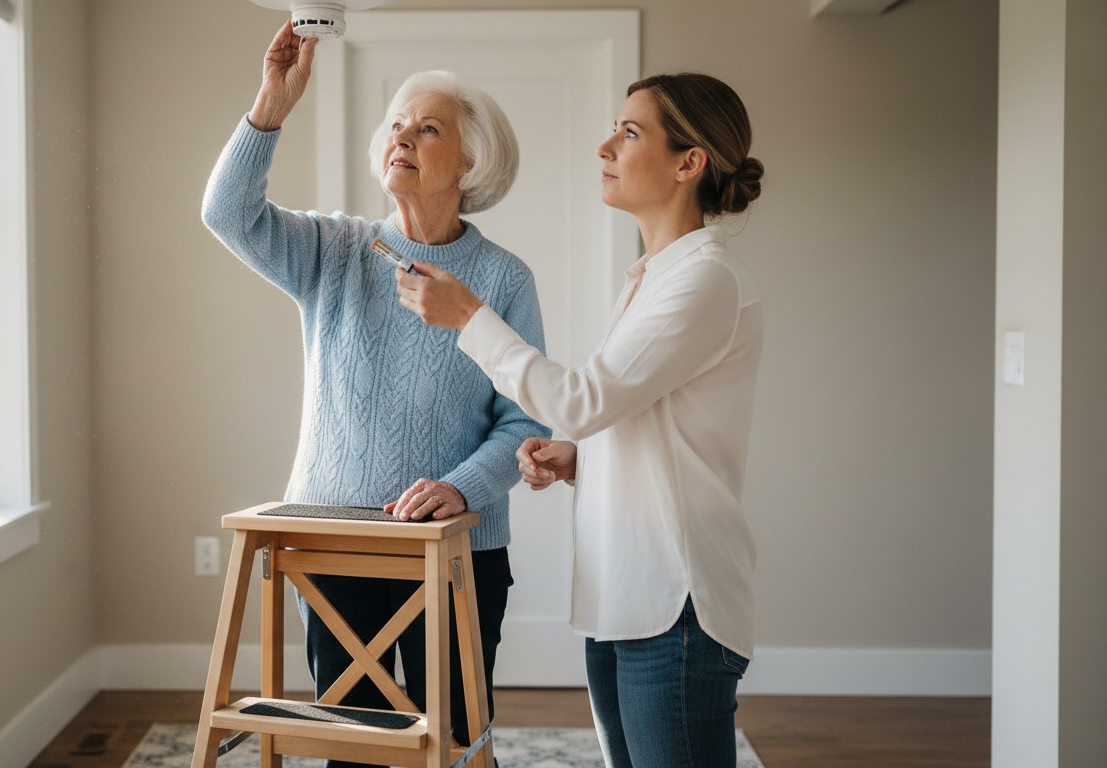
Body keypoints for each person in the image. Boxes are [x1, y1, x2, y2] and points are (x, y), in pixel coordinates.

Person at [200, 21, 549, 768]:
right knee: (352, 750)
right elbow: (226, 214)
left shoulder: (504, 278)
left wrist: (459, 488)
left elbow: (525, 421)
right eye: (397, 124)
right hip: (334, 542)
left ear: (471, 161)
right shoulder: (332, 248)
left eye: (429, 129)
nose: (403, 138)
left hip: (455, 550)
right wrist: (270, 106)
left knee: (454, 743)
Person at [396, 72, 765, 768]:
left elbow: (580, 400)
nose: (605, 146)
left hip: (674, 601)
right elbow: (634, 414)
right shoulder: (652, 279)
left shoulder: (704, 278)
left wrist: (471, 318)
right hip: (624, 596)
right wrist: (581, 458)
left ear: (688, 163)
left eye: (629, 133)